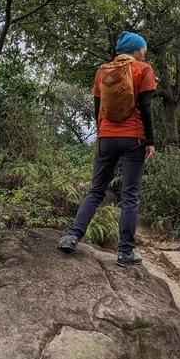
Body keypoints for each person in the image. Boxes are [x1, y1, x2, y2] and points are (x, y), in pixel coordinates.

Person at [58, 30, 156, 266]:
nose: (144, 53)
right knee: (129, 195)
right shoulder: (143, 69)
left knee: (96, 191)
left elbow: (97, 107)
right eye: (142, 49)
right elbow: (145, 107)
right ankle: (125, 252)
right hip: (133, 138)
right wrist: (150, 140)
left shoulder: (103, 71)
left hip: (107, 137)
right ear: (134, 50)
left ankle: (72, 236)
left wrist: (101, 134)